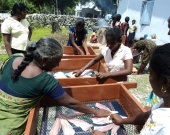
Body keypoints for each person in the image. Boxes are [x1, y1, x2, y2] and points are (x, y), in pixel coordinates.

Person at [0, 37, 110, 134]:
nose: (57, 65)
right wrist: (96, 111)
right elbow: (71, 103)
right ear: (44, 60)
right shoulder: (44, 80)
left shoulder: (13, 58)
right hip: (10, 127)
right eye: (56, 61)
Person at [91, 43, 170, 135]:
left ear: (165, 82)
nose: (149, 77)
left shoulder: (166, 128)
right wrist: (123, 120)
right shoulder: (165, 102)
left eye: (150, 73)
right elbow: (148, 116)